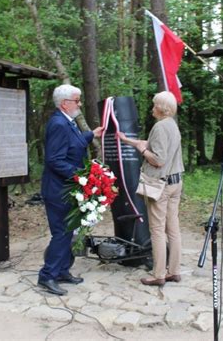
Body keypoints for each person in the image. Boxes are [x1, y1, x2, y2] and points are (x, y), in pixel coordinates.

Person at [38, 84, 103, 295]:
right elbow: (54, 160)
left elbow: (72, 144)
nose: (80, 104)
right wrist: (82, 176)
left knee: (69, 233)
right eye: (77, 100)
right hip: (58, 190)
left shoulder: (68, 122)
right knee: (62, 234)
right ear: (65, 104)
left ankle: (62, 270)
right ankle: (47, 275)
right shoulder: (58, 124)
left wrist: (90, 134)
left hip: (68, 188)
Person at [118, 91, 184, 286]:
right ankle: (174, 271)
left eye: (154, 105)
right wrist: (129, 141)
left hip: (160, 185)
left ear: (161, 108)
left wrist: (143, 151)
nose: (152, 108)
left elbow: (158, 159)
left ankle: (158, 275)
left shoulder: (159, 127)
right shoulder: (172, 125)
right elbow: (152, 145)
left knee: (156, 230)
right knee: (173, 228)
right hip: (176, 183)